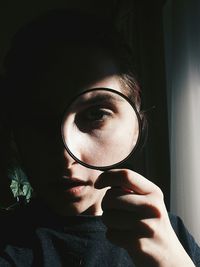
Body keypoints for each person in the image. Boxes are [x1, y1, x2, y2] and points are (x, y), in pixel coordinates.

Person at [0, 9, 200, 267]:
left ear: (135, 112)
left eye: (95, 115)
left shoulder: (172, 234)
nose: (66, 157)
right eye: (40, 123)